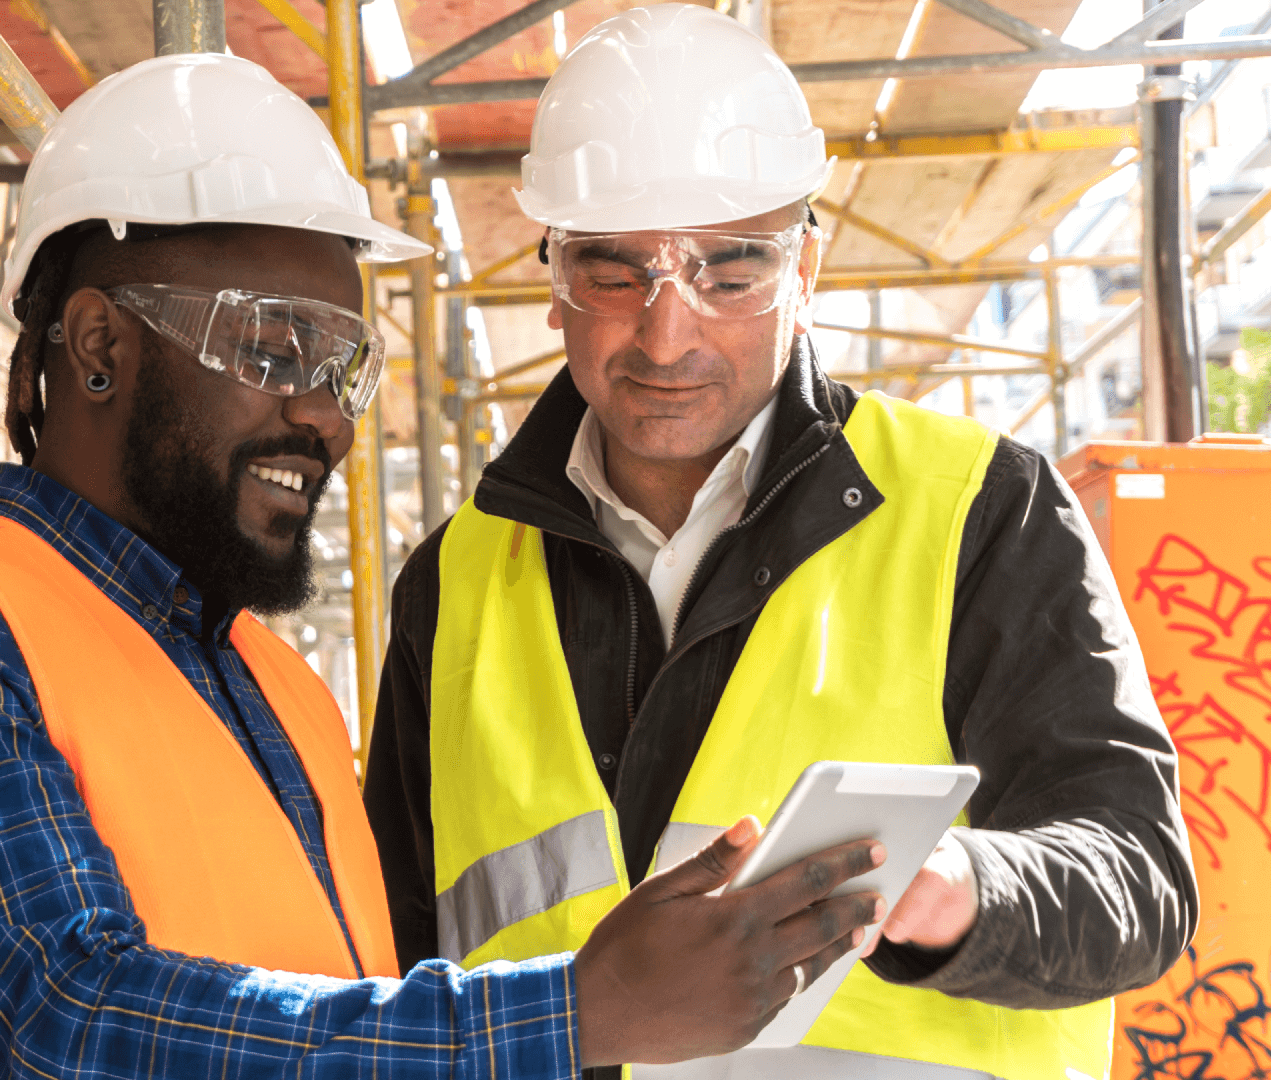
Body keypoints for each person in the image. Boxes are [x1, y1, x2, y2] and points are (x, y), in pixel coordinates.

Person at [0, 52, 890, 1080]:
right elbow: (62, 1017)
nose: (325, 417)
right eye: (273, 350)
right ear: (99, 345)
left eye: (344, 367)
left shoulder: (281, 689)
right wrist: (578, 1010)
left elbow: (348, 1016)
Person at [363, 7, 1199, 1080]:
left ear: (807, 265)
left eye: (732, 270)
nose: (668, 334)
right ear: (553, 272)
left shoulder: (979, 507)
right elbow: (390, 943)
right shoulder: (455, 579)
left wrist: (966, 887)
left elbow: (1139, 879)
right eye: (616, 272)